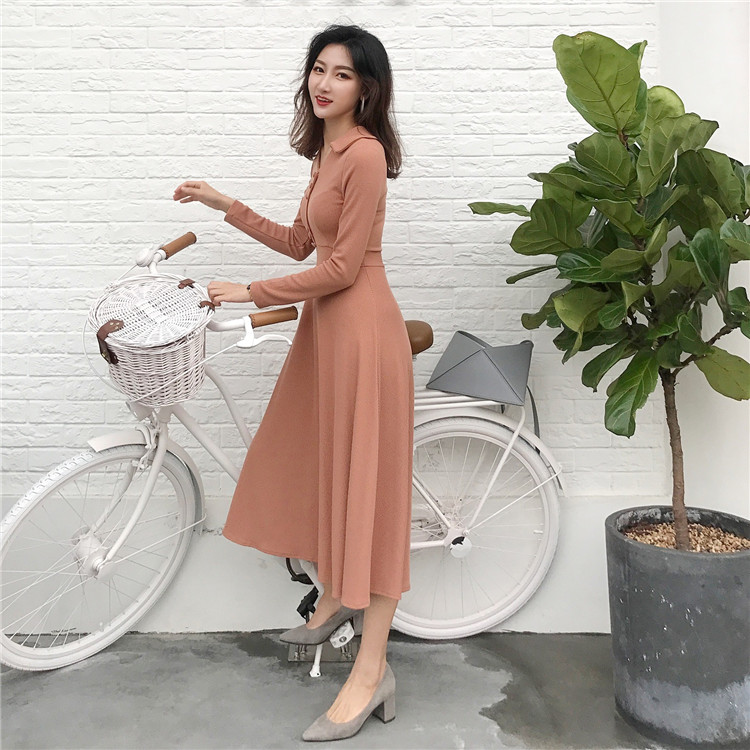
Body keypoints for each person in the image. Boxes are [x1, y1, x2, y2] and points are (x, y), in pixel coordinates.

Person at [172, 24, 413, 742]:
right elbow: (301, 242)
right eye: (318, 69)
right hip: (327, 336)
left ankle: (372, 672)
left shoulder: (364, 154)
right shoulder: (326, 153)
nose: (324, 83)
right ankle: (335, 597)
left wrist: (249, 292)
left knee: (370, 502)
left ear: (366, 89)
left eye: (342, 73)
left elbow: (340, 270)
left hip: (363, 335)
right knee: (327, 476)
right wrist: (224, 203)